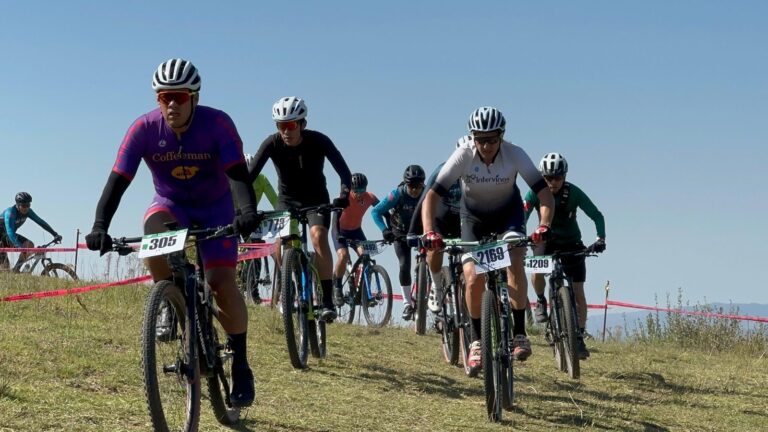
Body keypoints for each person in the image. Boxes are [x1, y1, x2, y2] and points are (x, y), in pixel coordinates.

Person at [84, 58, 260, 408]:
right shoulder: (144, 129)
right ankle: (172, 300)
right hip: (171, 203)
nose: (172, 105)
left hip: (216, 207)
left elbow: (239, 174)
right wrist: (99, 226)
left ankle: (240, 363)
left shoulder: (218, 123)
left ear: (194, 97)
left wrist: (246, 212)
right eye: (165, 97)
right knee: (151, 229)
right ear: (157, 100)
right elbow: (118, 180)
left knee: (221, 284)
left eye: (179, 96)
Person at [421, 106, 555, 374]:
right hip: (473, 219)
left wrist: (543, 225)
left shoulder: (515, 154)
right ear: (473, 137)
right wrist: (429, 231)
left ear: (501, 136)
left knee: (515, 262)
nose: (486, 146)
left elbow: (544, 195)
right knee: (472, 278)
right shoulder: (463, 155)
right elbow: (432, 196)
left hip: (509, 216)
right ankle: (477, 342)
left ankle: (519, 333)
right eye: (480, 139)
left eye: (492, 139)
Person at [248, 96, 352, 322]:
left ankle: (326, 301)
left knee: (318, 236)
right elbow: (249, 177)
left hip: (316, 199)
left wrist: (343, 195)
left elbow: (344, 171)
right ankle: (289, 284)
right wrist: (245, 207)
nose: (286, 131)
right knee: (279, 243)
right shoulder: (271, 143)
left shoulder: (319, 140)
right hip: (287, 200)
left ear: (302, 124)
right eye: (280, 125)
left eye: (291, 125)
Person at [524, 152, 605, 359]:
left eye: (557, 177)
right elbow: (521, 215)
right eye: (548, 178)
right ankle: (541, 300)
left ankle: (578, 334)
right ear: (542, 177)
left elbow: (596, 215)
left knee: (578, 290)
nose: (553, 182)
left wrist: (600, 238)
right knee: (537, 269)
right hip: (544, 241)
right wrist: (519, 236)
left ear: (565, 176)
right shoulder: (535, 193)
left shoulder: (574, 193)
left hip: (571, 243)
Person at [408, 136, 469, 315]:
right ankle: (436, 285)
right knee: (434, 248)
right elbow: (424, 200)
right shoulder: (443, 169)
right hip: (441, 216)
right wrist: (413, 231)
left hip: (463, 218)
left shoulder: (478, 172)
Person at [371, 165, 426, 321]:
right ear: (405, 183)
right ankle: (407, 304)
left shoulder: (428, 193)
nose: (415, 190)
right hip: (400, 232)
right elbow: (375, 212)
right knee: (404, 265)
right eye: (411, 186)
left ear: (423, 184)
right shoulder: (397, 194)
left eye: (418, 186)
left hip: (420, 230)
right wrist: (384, 230)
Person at [331, 173, 379, 306]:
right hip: (340, 230)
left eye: (361, 190)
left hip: (356, 231)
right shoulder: (344, 197)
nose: (358, 193)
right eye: (355, 191)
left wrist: (390, 228)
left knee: (366, 256)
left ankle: (364, 292)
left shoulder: (370, 197)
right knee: (344, 256)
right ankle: (337, 287)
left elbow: (382, 209)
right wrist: (338, 235)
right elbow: (335, 218)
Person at [0, 192, 62, 272]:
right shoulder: (10, 212)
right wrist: (20, 247)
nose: (26, 208)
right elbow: (10, 232)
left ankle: (16, 269)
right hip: (3, 237)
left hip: (7, 237)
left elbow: (40, 222)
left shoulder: (28, 212)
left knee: (29, 245)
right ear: (18, 205)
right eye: (23, 206)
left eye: (28, 205)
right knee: (5, 270)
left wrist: (54, 234)